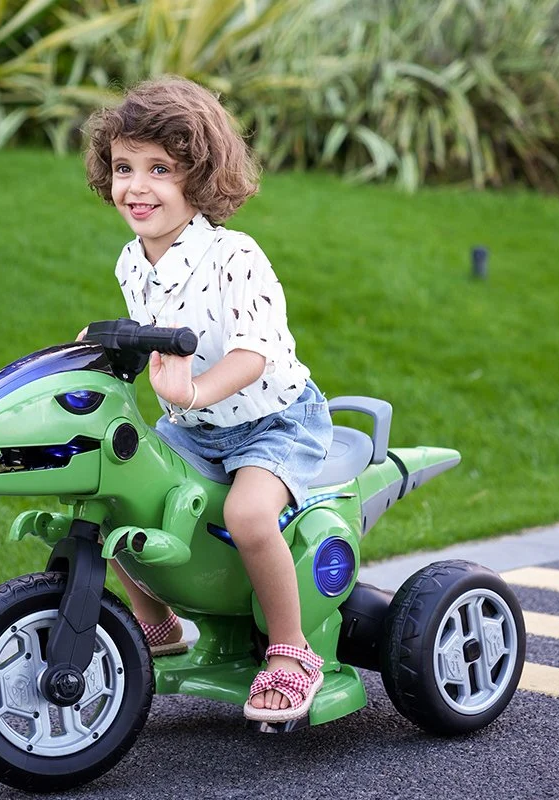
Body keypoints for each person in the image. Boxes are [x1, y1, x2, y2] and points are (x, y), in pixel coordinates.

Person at [81, 77, 333, 724]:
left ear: (201, 175)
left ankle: (290, 650)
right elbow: (157, 336)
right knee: (116, 489)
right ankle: (157, 622)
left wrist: (193, 390)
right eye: (124, 167)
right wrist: (106, 349)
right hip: (195, 424)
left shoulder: (234, 256)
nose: (135, 187)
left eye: (159, 169)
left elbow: (254, 354)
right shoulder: (132, 261)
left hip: (272, 420)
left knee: (250, 516)